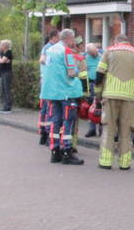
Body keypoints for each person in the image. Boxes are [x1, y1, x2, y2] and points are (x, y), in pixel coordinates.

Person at [95, 34, 134, 170]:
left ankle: (105, 162)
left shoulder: (109, 51)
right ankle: (125, 163)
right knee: (126, 132)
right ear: (128, 42)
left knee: (109, 130)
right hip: (129, 97)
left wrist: (97, 93)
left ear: (116, 41)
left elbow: (99, 74)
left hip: (110, 95)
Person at [41, 28, 84, 165]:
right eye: (73, 39)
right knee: (68, 122)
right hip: (65, 92)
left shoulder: (50, 50)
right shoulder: (66, 51)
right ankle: (67, 152)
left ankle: (55, 151)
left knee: (55, 121)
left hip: (51, 93)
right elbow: (71, 73)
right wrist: (80, 70)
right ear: (69, 38)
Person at [38, 29, 60, 145]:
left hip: (46, 80)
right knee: (48, 108)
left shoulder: (48, 47)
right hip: (48, 80)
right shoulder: (49, 48)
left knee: (45, 108)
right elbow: (42, 60)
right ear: (53, 37)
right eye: (58, 37)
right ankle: (46, 134)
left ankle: (44, 134)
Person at [81, 43, 102, 137]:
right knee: (90, 107)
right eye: (92, 53)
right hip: (90, 84)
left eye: (95, 53)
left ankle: (102, 129)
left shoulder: (102, 55)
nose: (94, 55)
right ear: (88, 52)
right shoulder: (84, 57)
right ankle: (92, 129)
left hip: (100, 84)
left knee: (101, 106)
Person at [0, 39, 13, 112]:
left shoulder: (8, 52)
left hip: (7, 72)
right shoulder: (2, 53)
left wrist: (2, 60)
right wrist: (2, 60)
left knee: (7, 89)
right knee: (3, 89)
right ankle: (4, 105)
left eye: (0, 45)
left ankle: (8, 107)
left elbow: (1, 61)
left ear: (5, 46)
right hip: (2, 72)